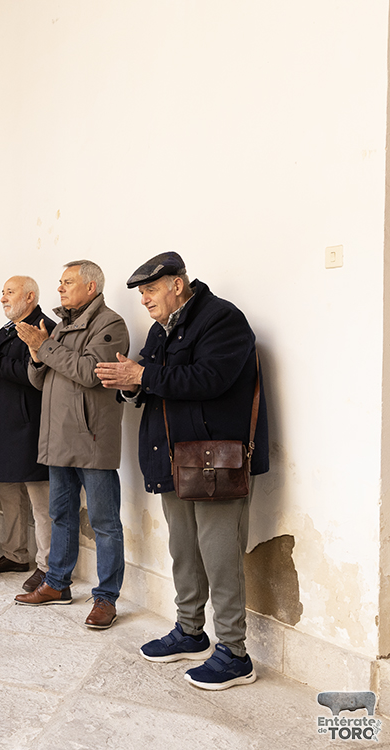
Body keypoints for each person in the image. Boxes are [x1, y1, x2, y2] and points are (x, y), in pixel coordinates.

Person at [95, 252, 269, 690]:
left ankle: (234, 654)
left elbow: (210, 378)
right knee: (185, 551)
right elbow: (152, 380)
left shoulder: (222, 319)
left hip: (213, 462)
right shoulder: (161, 329)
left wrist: (144, 375)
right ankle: (190, 632)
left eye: (151, 290)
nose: (145, 301)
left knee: (220, 555)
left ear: (177, 284)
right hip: (172, 457)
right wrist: (130, 383)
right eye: (141, 294)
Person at [13, 260, 129, 632]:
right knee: (61, 515)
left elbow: (90, 373)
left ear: (91, 287)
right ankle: (57, 584)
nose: (60, 289)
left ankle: (106, 598)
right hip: (58, 438)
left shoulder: (110, 324)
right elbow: (38, 380)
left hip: (91, 438)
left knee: (104, 523)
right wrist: (36, 353)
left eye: (68, 283)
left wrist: (43, 346)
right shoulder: (62, 325)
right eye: (59, 282)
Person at [0, 276, 56, 591]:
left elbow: (32, 375)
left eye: (10, 292)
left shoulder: (43, 328)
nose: (3, 297)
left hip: (30, 426)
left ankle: (48, 566)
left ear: (30, 296)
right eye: (2, 292)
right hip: (4, 426)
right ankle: (15, 554)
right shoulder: (7, 330)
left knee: (40, 502)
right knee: (8, 494)